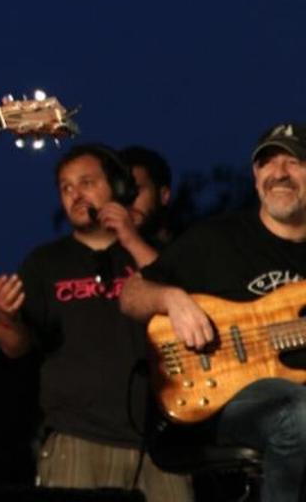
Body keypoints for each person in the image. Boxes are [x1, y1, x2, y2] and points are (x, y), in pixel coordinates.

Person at [0, 144, 191, 499]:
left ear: (118, 188)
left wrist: (129, 238)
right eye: (66, 188)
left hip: (161, 440)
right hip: (77, 437)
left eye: (87, 183)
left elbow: (187, 298)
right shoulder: (44, 263)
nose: (76, 194)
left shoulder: (150, 250)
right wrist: (5, 315)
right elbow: (15, 348)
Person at [120, 122, 306, 502]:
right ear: (255, 175)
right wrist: (172, 299)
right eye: (267, 163)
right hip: (214, 404)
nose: (279, 173)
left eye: (294, 162)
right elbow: (131, 295)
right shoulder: (215, 239)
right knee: (299, 413)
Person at [120, 145, 176, 246]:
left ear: (164, 195)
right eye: (120, 191)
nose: (127, 199)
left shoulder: (193, 245)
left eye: (136, 190)